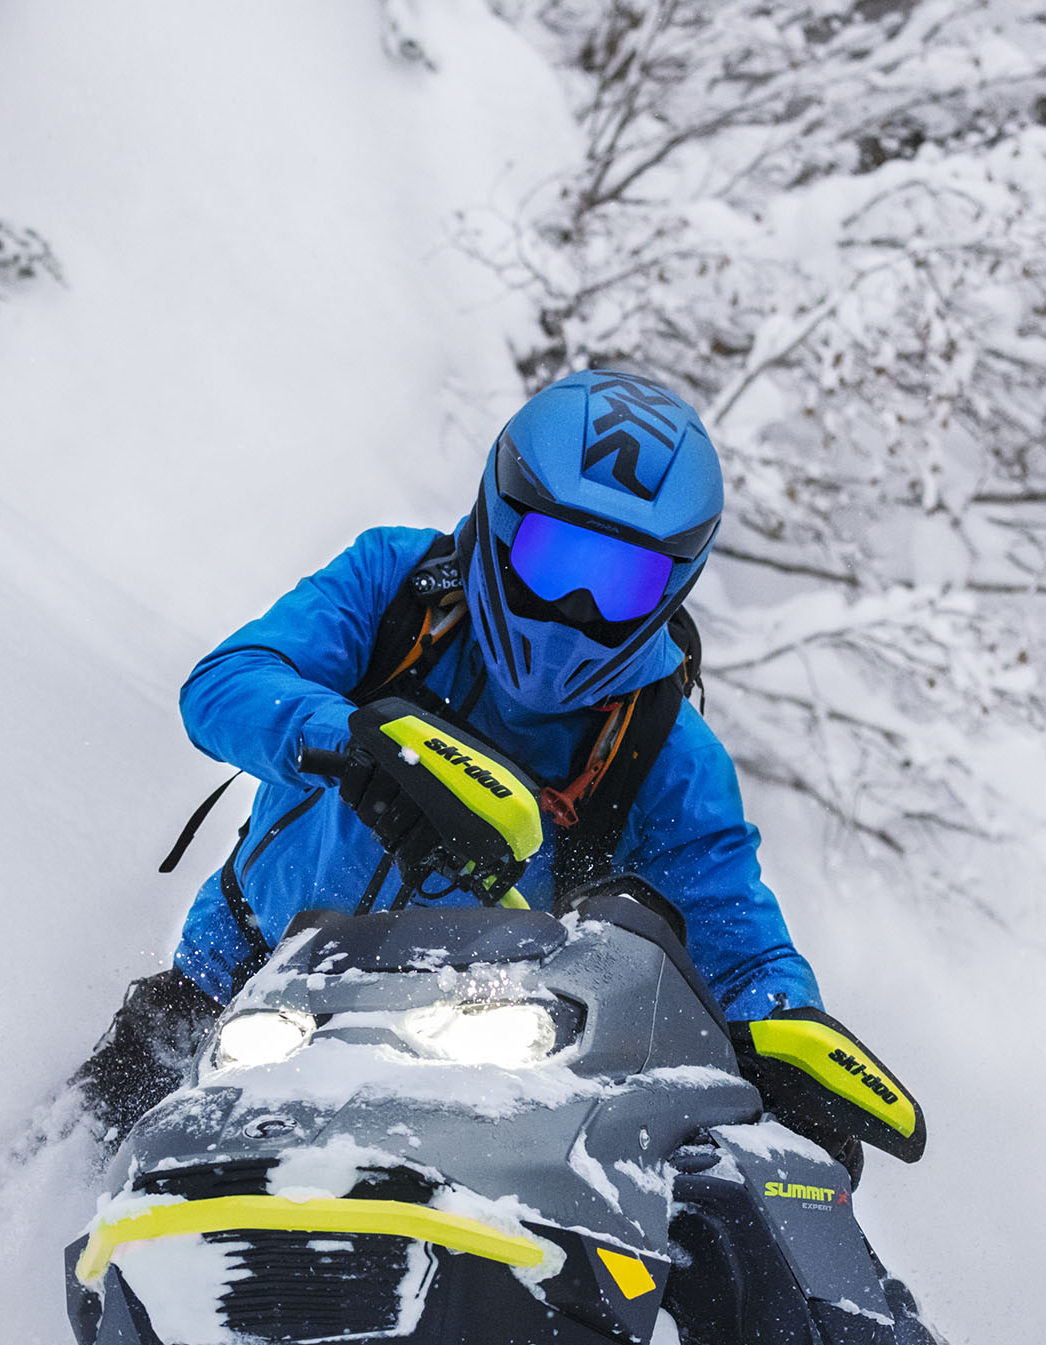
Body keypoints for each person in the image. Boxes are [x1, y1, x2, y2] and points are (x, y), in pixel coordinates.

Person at [78, 369, 924, 1172]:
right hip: (238, 986)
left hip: (462, 1053)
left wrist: (784, 1031)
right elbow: (226, 683)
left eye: (622, 581)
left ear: (677, 583)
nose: (577, 608)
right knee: (70, 1158)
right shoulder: (393, 589)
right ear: (501, 513)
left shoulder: (664, 749)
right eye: (556, 558)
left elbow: (734, 943)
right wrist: (356, 744)